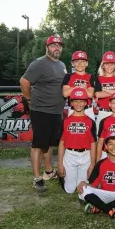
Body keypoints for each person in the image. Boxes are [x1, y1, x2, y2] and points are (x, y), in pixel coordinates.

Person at [20, 36, 67, 192]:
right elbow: (24, 81)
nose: (57, 48)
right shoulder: (39, 63)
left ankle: (48, 171)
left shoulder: (61, 64)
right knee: (39, 144)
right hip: (41, 110)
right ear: (47, 47)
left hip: (56, 111)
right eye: (53, 45)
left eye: (59, 45)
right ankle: (37, 178)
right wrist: (28, 99)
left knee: (51, 143)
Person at [77, 132, 115, 219]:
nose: (114, 147)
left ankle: (99, 208)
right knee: (83, 189)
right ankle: (111, 211)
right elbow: (92, 185)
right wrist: (83, 183)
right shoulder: (100, 164)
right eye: (110, 144)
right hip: (104, 194)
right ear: (106, 147)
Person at [57, 88, 97, 196]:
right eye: (75, 101)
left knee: (83, 189)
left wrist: (92, 164)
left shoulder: (91, 122)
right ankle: (62, 177)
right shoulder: (65, 121)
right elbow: (61, 144)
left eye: (81, 101)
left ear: (86, 102)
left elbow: (93, 144)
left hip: (85, 155)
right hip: (70, 155)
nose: (78, 104)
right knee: (69, 189)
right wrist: (60, 164)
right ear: (71, 103)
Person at [94, 51, 115, 131]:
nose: (109, 66)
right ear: (103, 66)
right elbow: (98, 94)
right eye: (106, 64)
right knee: (100, 138)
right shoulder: (98, 78)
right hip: (102, 112)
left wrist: (104, 89)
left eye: (111, 64)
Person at [62, 51, 95, 120]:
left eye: (83, 61)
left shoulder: (90, 76)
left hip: (88, 110)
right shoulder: (68, 76)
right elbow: (65, 93)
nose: (80, 64)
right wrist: (79, 87)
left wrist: (73, 88)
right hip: (73, 109)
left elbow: (90, 95)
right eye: (77, 61)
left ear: (86, 63)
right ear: (72, 63)